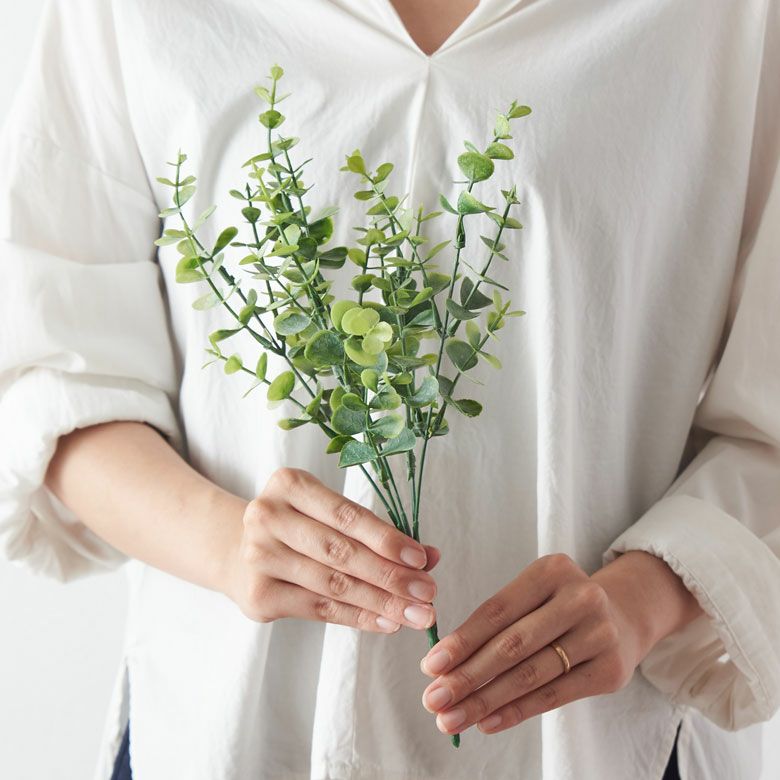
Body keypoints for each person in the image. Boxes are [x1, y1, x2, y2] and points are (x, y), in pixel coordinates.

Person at [1, 0, 778, 778]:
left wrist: (639, 601)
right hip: (226, 733)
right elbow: (53, 371)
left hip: (585, 745)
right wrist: (226, 542)